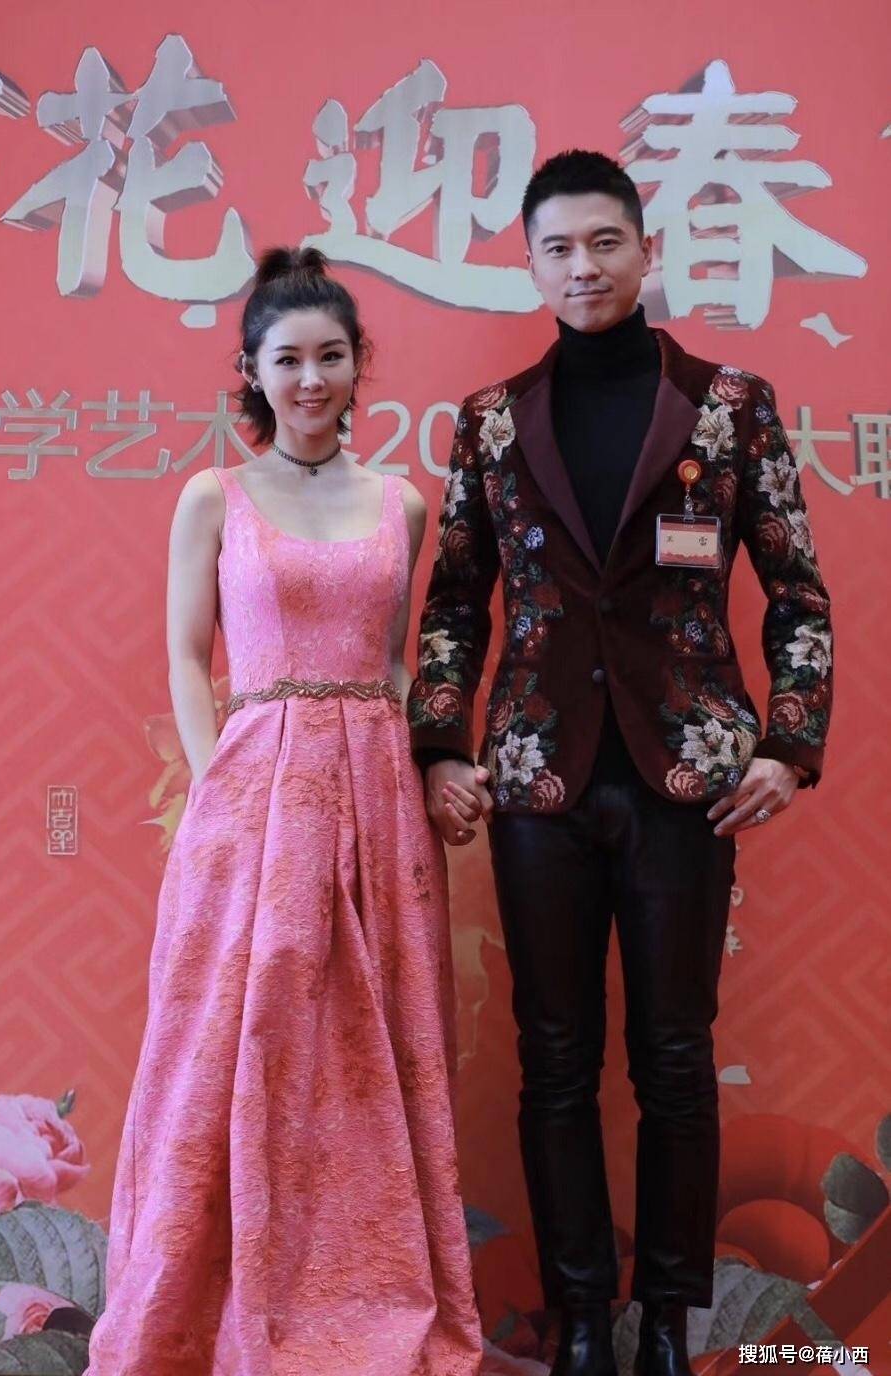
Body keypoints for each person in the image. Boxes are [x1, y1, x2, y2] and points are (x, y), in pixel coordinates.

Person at [408, 152, 833, 1376]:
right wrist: (440, 745)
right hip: (535, 777)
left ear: (647, 250)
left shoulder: (730, 404)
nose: (582, 266)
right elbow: (454, 600)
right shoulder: (491, 419)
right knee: (553, 1059)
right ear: (529, 262)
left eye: (604, 242)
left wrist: (788, 743)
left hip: (688, 777)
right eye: (557, 247)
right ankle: (584, 1318)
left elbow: (797, 591)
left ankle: (671, 1326)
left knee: (675, 1058)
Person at [86, 247, 483, 1376]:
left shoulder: (403, 502)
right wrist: (217, 778)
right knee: (238, 1032)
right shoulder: (214, 495)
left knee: (378, 1041)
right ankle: (212, 1304)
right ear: (254, 373)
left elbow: (397, 664)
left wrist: (430, 765)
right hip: (253, 791)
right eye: (288, 359)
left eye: (331, 356)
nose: (311, 378)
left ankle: (362, 1298)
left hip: (379, 792)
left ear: (359, 367)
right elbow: (185, 653)